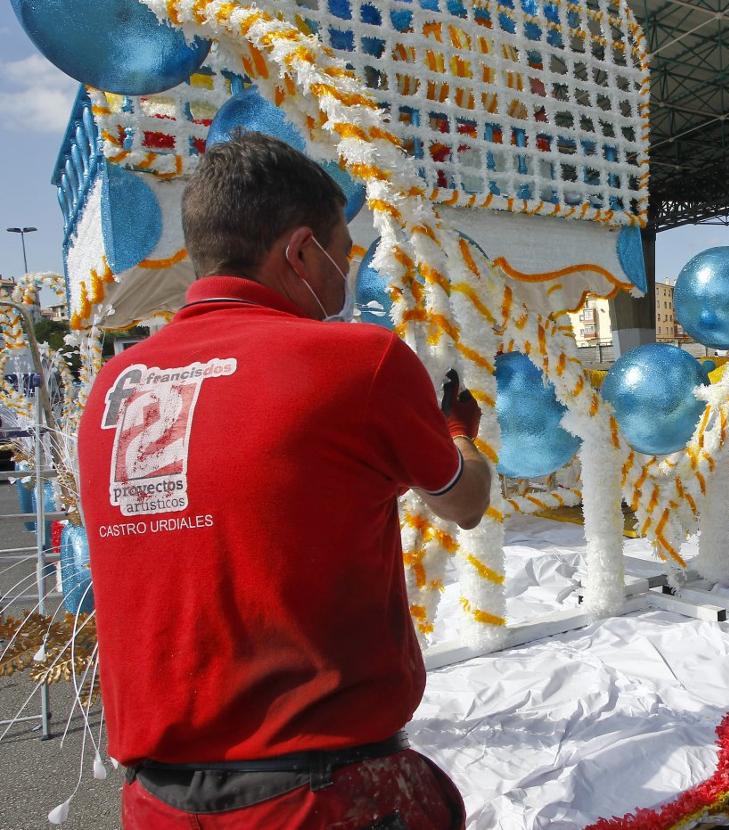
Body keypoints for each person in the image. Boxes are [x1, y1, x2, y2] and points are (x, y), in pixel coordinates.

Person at [76, 132, 492, 828]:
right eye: (345, 253)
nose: (348, 273)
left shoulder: (115, 387)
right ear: (302, 252)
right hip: (319, 797)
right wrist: (456, 431)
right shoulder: (357, 359)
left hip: (158, 802)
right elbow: (465, 503)